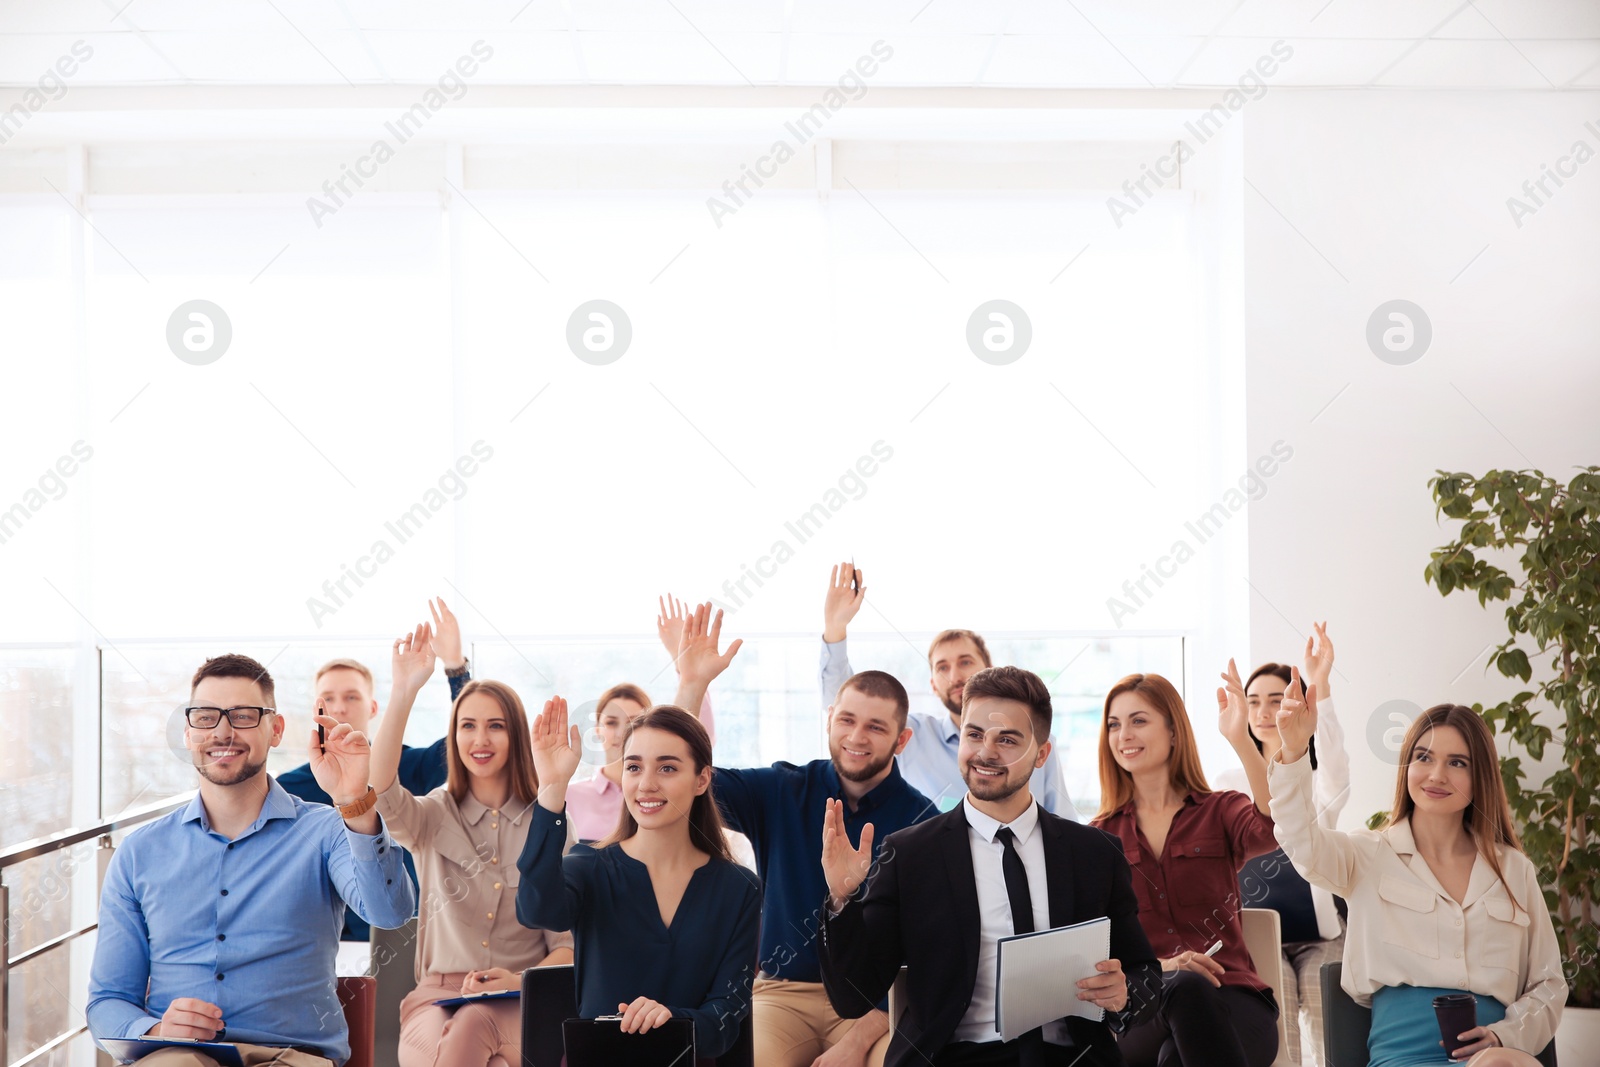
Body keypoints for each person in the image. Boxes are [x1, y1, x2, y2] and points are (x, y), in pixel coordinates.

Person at [818, 665, 1162, 1067]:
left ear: (1041, 755)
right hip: (952, 1057)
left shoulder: (1095, 852)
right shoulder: (909, 854)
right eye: (974, 734)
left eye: (1008, 740)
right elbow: (852, 996)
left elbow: (1146, 976)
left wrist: (1124, 994)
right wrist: (843, 899)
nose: (986, 752)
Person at [87, 653, 416, 1066]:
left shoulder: (327, 830)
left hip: (292, 1056)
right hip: (178, 1056)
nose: (223, 732)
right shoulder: (139, 853)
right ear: (189, 733)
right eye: (206, 717)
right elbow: (107, 1002)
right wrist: (154, 1030)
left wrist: (354, 802)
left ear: (275, 730)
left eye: (243, 715)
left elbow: (390, 912)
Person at [667, 601, 936, 1067]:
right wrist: (692, 685)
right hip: (783, 993)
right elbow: (686, 781)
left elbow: (921, 956)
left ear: (902, 739)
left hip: (874, 1004)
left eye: (876, 727)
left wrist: (853, 1045)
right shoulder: (782, 788)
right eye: (848, 720)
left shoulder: (923, 820)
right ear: (830, 717)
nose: (857, 736)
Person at [1271, 682, 1566, 1066]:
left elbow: (1549, 983)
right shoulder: (1367, 855)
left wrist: (1502, 1035)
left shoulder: (1514, 870)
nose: (1437, 775)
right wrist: (1295, 751)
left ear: (1481, 777)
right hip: (1403, 1057)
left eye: (1457, 762)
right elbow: (1300, 839)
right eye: (1423, 758)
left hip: (1497, 1056)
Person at [368, 621, 575, 1067]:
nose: (480, 740)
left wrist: (518, 979)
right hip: (436, 999)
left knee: (477, 1031)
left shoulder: (550, 822)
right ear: (454, 735)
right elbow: (380, 789)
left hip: (523, 998)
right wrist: (403, 690)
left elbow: (566, 944)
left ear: (516, 735)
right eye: (467, 727)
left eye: (495, 726)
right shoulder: (432, 814)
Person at [516, 697, 762, 1061]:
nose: (646, 784)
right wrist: (553, 789)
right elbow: (537, 910)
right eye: (634, 767)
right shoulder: (589, 866)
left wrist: (673, 1020)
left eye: (667, 768)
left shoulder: (740, 888)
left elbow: (726, 1015)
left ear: (702, 780)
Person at [1090, 670, 1281, 1067]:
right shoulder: (1098, 838)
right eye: (1114, 724)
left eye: (1138, 721)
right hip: (1141, 1009)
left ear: (1174, 732)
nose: (1123, 735)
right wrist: (1166, 967)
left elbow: (1275, 826)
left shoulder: (1220, 809)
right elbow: (1091, 953)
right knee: (1184, 988)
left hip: (1234, 998)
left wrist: (1242, 741)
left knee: (1175, 1058)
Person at [278, 596, 473, 941]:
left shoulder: (408, 766)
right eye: (329, 697)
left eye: (352, 697)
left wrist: (455, 667)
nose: (340, 707)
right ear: (316, 707)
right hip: (327, 943)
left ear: (371, 707)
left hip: (406, 935)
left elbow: (465, 742)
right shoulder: (289, 789)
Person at [817, 561, 1076, 817]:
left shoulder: (1034, 740)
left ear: (988, 668)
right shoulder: (913, 737)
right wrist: (835, 628)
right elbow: (846, 702)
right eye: (942, 667)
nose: (955, 676)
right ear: (932, 685)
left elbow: (1062, 823)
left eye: (965, 662)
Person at [1214, 622, 1350, 1067]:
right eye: (1253, 701)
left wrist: (1321, 684)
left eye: (1276, 699)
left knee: (1326, 1019)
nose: (1264, 710)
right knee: (1280, 1034)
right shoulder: (1228, 783)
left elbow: (1336, 771)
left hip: (1319, 935)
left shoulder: (1316, 779)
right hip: (1258, 931)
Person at [565, 595, 718, 843]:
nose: (622, 732)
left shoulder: (662, 793)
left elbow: (696, 738)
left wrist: (686, 669)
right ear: (597, 730)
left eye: (633, 722)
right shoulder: (570, 796)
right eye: (612, 722)